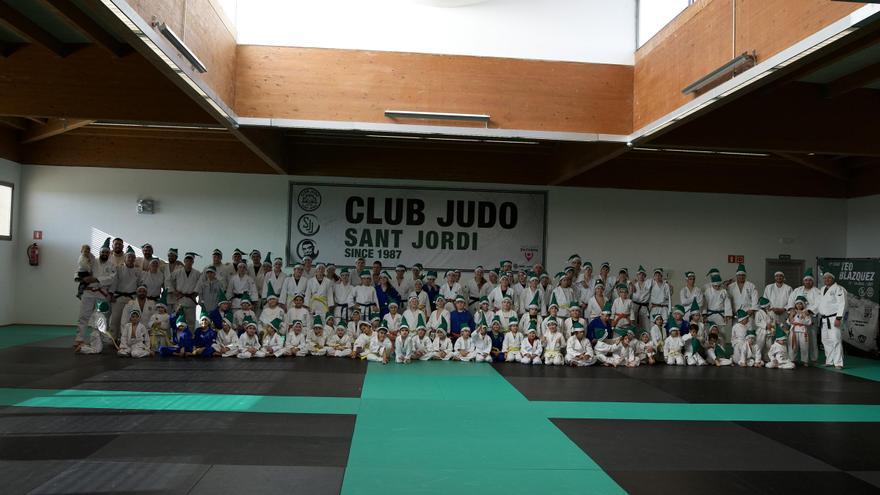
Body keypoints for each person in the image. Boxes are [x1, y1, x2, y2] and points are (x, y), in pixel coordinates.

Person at [75, 239, 116, 348]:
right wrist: (85, 249)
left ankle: (99, 338)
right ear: (99, 252)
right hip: (88, 292)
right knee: (84, 315)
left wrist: (96, 279)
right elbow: (84, 260)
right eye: (103, 252)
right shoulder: (93, 261)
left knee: (100, 318)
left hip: (101, 294)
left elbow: (111, 278)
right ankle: (79, 339)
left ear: (109, 253)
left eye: (107, 252)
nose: (104, 254)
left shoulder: (111, 265)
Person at [787, 268, 821, 364]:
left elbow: (818, 303)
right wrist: (791, 311)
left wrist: (808, 311)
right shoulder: (797, 290)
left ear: (812, 281)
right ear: (803, 281)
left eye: (810, 280)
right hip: (797, 319)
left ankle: (814, 359)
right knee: (795, 341)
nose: (808, 282)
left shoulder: (817, 291)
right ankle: (793, 359)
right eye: (806, 280)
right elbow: (791, 301)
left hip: (810, 318)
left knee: (812, 339)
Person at [817, 271, 847, 369]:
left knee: (835, 339)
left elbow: (842, 304)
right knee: (825, 340)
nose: (826, 280)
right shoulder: (822, 289)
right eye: (825, 278)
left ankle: (838, 363)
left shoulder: (839, 289)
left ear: (833, 279)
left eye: (829, 278)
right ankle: (829, 361)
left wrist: (839, 318)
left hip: (834, 318)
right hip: (824, 319)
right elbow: (820, 303)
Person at [109, 246, 140, 340]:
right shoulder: (118, 269)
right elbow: (114, 282)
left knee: (129, 319)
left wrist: (137, 299)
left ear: (135, 259)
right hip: (118, 297)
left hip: (131, 298)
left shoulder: (138, 271)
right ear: (125, 258)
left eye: (132, 257)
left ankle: (126, 339)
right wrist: (111, 294)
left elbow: (139, 285)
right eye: (129, 257)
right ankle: (113, 338)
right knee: (115, 319)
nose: (131, 259)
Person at [171, 252, 202, 330]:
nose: (189, 262)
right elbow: (168, 280)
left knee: (191, 322)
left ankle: (191, 338)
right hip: (180, 300)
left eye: (190, 260)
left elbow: (201, 283)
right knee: (178, 321)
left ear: (193, 262)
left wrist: (196, 292)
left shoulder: (197, 273)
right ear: (184, 261)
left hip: (191, 301)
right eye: (187, 260)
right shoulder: (177, 272)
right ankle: (178, 339)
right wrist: (174, 290)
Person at [728, 264, 758, 329]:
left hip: (748, 314)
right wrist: (730, 312)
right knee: (737, 333)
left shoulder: (751, 285)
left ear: (745, 276)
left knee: (748, 334)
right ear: (736, 275)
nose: (741, 277)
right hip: (736, 314)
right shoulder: (731, 286)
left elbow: (755, 299)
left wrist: (752, 310)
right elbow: (728, 300)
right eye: (739, 275)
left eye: (743, 275)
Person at [704, 273, 733, 341]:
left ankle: (721, 347)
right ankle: (709, 348)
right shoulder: (707, 291)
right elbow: (705, 303)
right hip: (710, 315)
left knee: (722, 332)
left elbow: (727, 303)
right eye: (715, 286)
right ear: (712, 284)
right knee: (709, 331)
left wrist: (727, 315)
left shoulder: (723, 291)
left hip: (720, 316)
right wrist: (704, 314)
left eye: (718, 285)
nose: (717, 287)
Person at [788, 296, 812, 366]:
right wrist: (791, 316)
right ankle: (792, 359)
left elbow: (809, 322)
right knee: (793, 346)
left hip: (803, 331)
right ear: (795, 305)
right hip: (794, 331)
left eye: (800, 304)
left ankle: (805, 361)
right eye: (797, 304)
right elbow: (789, 322)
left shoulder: (806, 312)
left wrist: (804, 316)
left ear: (803, 305)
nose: (798, 305)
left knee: (804, 346)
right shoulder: (792, 312)